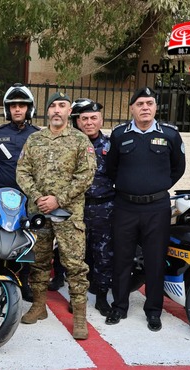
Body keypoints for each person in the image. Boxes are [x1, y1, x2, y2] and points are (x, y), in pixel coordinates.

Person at [16, 91, 96, 340]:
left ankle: (79, 316)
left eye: (62, 105)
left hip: (68, 214)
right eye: (53, 106)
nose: (57, 110)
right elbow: (22, 171)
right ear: (47, 111)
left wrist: (58, 200)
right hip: (39, 211)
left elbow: (86, 175)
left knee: (75, 265)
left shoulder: (80, 140)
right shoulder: (35, 139)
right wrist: (37, 196)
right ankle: (39, 306)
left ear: (69, 111)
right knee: (38, 261)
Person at [105, 87, 185, 332]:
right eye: (140, 104)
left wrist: (156, 187)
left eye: (149, 103)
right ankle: (119, 307)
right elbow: (111, 168)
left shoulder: (170, 135)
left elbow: (178, 168)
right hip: (125, 206)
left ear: (155, 107)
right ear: (132, 108)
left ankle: (153, 311)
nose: (145, 108)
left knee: (155, 260)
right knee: (122, 259)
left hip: (156, 208)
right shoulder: (119, 135)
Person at [0, 83, 40, 302]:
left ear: (29, 108)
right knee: (1, 238)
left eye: (21, 105)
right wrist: (1, 178)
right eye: (13, 105)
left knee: (27, 240)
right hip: (2, 197)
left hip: (29, 198)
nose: (17, 109)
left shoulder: (38, 136)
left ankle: (23, 281)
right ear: (8, 109)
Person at [70, 98, 115, 316]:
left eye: (93, 118)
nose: (89, 122)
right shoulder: (71, 145)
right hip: (77, 208)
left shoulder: (111, 146)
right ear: (78, 122)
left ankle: (101, 297)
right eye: (84, 118)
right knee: (76, 255)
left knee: (103, 254)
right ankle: (77, 298)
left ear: (101, 120)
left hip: (104, 208)